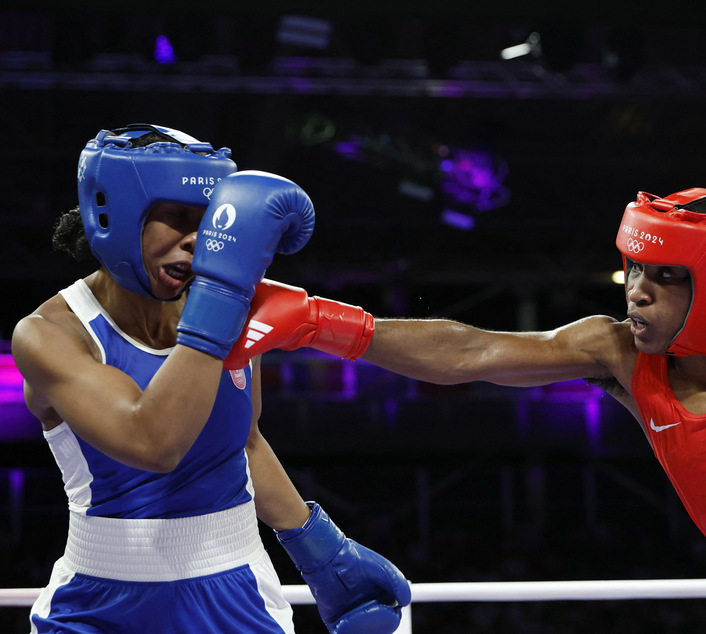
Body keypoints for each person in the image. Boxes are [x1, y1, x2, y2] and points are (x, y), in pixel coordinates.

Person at [224, 187, 706, 632]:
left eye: (661, 277)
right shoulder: (619, 354)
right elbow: (470, 351)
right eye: (632, 266)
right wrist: (321, 322)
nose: (634, 289)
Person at [12, 124, 410, 634]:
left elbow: (243, 444)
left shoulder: (228, 306)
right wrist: (222, 299)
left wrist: (321, 551)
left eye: (208, 220)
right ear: (115, 214)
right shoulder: (50, 334)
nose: (199, 240)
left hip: (236, 590)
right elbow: (152, 442)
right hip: (95, 601)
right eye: (177, 216)